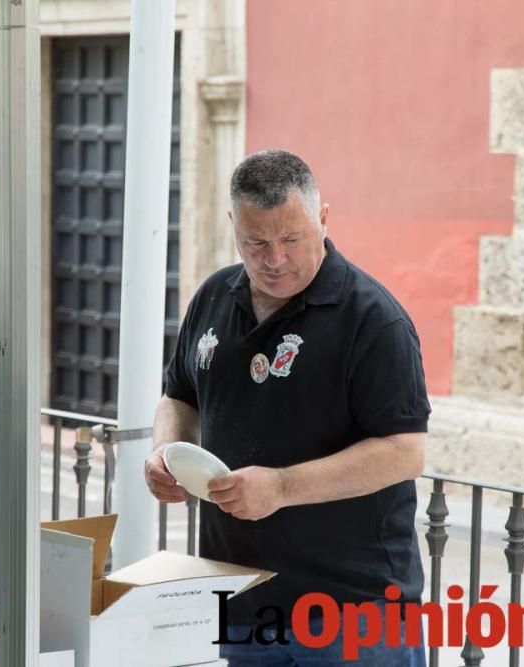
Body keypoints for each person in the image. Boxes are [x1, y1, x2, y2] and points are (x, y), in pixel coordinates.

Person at [144, 149, 430, 666]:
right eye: (256, 242)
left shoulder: (374, 320)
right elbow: (179, 394)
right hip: (241, 601)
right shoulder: (212, 297)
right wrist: (167, 451)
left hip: (352, 614)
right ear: (234, 226)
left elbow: (404, 452)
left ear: (323, 219)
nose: (274, 258)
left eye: (291, 239)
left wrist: (280, 488)